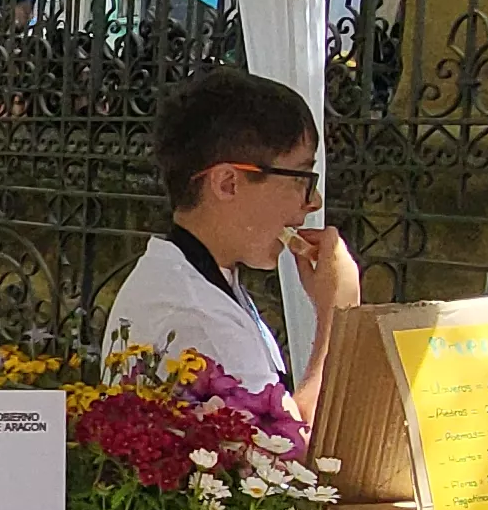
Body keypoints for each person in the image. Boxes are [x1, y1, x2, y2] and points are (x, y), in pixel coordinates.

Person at [100, 72, 360, 414]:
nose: (314, 202)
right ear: (227, 183)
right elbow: (290, 453)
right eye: (301, 179)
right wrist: (338, 317)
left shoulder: (195, 279)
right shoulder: (199, 317)